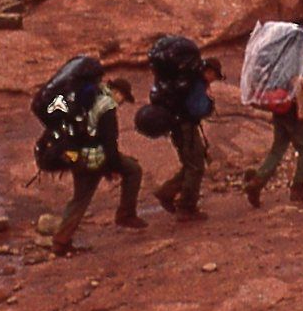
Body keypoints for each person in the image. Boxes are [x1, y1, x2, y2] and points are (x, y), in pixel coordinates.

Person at [51, 76, 145, 256]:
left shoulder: (89, 97)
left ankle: (60, 241)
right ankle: (126, 215)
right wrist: (113, 167)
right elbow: (109, 142)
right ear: (117, 92)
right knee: (133, 170)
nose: (122, 103)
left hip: (75, 154)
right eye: (123, 98)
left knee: (80, 198)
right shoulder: (107, 107)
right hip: (94, 157)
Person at [244, 53, 303, 206]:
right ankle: (298, 187)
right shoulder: (298, 63)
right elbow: (298, 86)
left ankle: (257, 181)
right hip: (293, 111)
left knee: (277, 149)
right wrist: (302, 112)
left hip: (279, 109)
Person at [155, 56, 219, 222]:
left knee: (191, 164)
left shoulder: (186, 81)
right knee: (196, 166)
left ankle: (167, 192)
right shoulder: (197, 84)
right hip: (186, 128)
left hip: (178, 126)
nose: (213, 80)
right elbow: (197, 109)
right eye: (215, 76)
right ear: (209, 72)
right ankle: (186, 207)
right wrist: (209, 103)